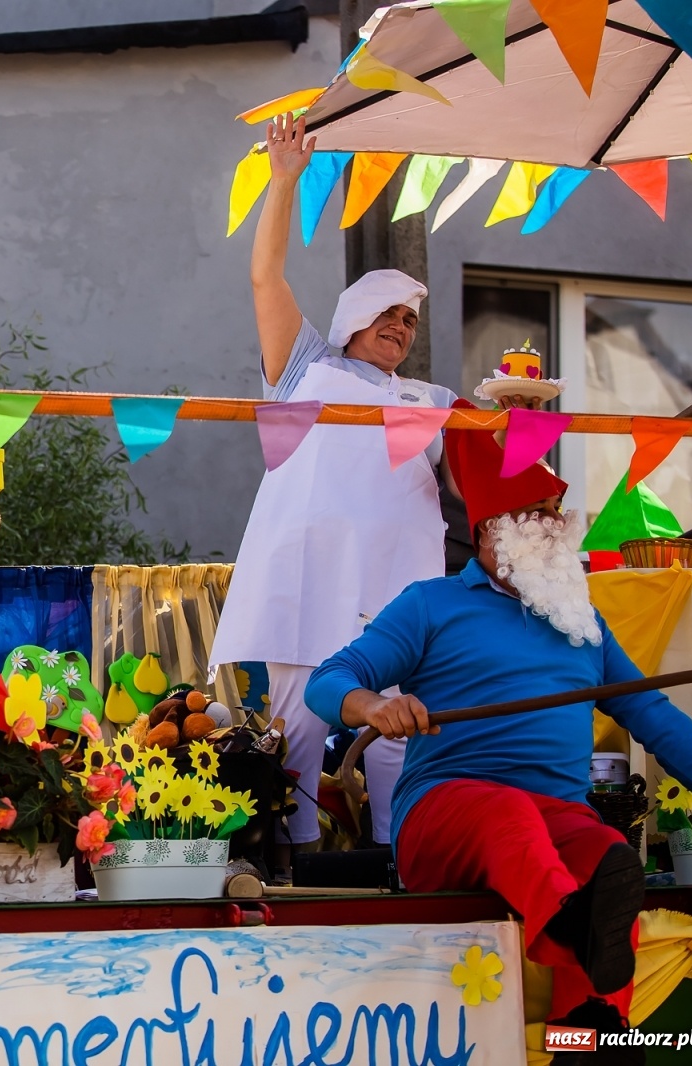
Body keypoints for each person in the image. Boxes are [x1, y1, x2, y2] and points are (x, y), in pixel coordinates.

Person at [305, 411, 692, 1064]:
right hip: (445, 815)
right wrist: (374, 704)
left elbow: (656, 719)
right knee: (511, 813)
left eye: (559, 511)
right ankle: (567, 929)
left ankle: (586, 1038)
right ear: (494, 531)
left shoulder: (583, 621)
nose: (558, 525)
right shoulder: (431, 603)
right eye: (541, 514)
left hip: (552, 824)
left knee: (605, 855)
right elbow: (328, 682)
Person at [208, 113, 457, 857]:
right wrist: (284, 181)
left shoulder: (432, 401)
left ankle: (399, 863)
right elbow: (265, 275)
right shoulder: (305, 367)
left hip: (395, 591)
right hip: (308, 583)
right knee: (297, 733)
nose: (400, 327)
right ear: (353, 317)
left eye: (409, 319)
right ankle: (295, 866)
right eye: (387, 312)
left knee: (395, 734)